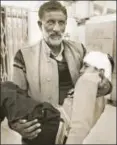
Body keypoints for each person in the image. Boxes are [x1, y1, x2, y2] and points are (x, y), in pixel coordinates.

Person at [9, 1, 112, 144]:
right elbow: (16, 98)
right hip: (40, 130)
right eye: (50, 22)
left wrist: (105, 85)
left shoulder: (79, 50)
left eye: (61, 23)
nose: (57, 28)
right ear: (40, 25)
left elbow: (99, 78)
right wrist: (16, 124)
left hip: (69, 131)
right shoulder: (24, 56)